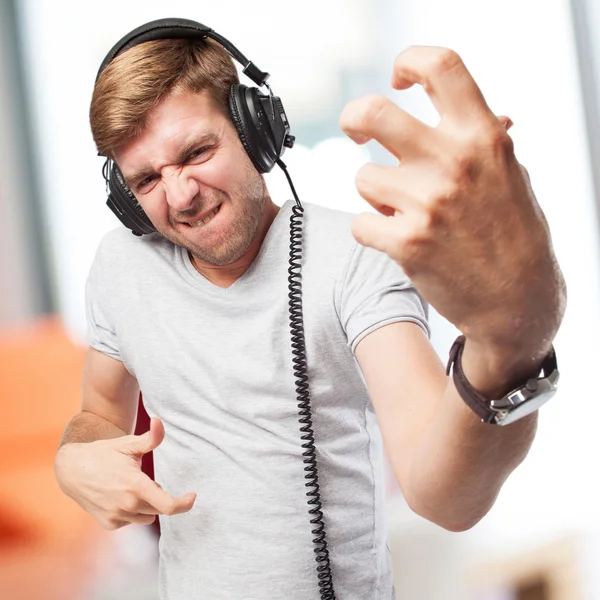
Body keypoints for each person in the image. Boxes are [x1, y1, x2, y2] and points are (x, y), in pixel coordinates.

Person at [54, 18, 566, 600]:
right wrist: (75, 456)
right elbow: (99, 410)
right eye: (145, 180)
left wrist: (507, 342)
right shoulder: (123, 265)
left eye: (197, 151)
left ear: (256, 129)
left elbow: (443, 493)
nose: (180, 196)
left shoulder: (353, 257)